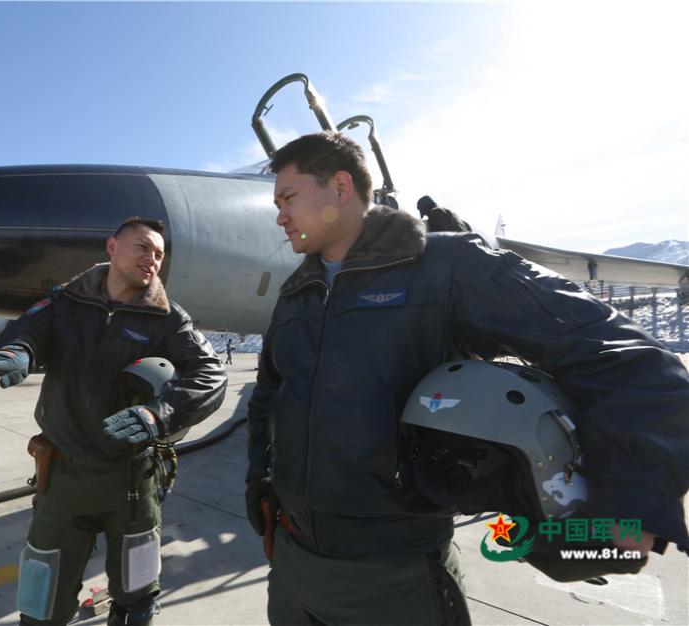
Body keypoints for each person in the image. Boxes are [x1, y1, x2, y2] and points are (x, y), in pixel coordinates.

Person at [245, 131, 689, 626]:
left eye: (289, 198)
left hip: (393, 578)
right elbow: (269, 396)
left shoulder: (447, 266)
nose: (280, 215)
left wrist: (631, 494)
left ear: (341, 186)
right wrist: (261, 481)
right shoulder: (295, 293)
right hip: (290, 569)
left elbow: (624, 357)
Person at [0, 217, 227, 626]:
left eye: (158, 253)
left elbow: (210, 374)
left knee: (137, 602)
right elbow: (29, 332)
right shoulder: (64, 303)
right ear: (112, 248)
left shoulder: (168, 319)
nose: (151, 259)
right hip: (64, 482)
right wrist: (17, 353)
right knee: (40, 601)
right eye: (142, 247)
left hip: (132, 483)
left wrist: (160, 412)